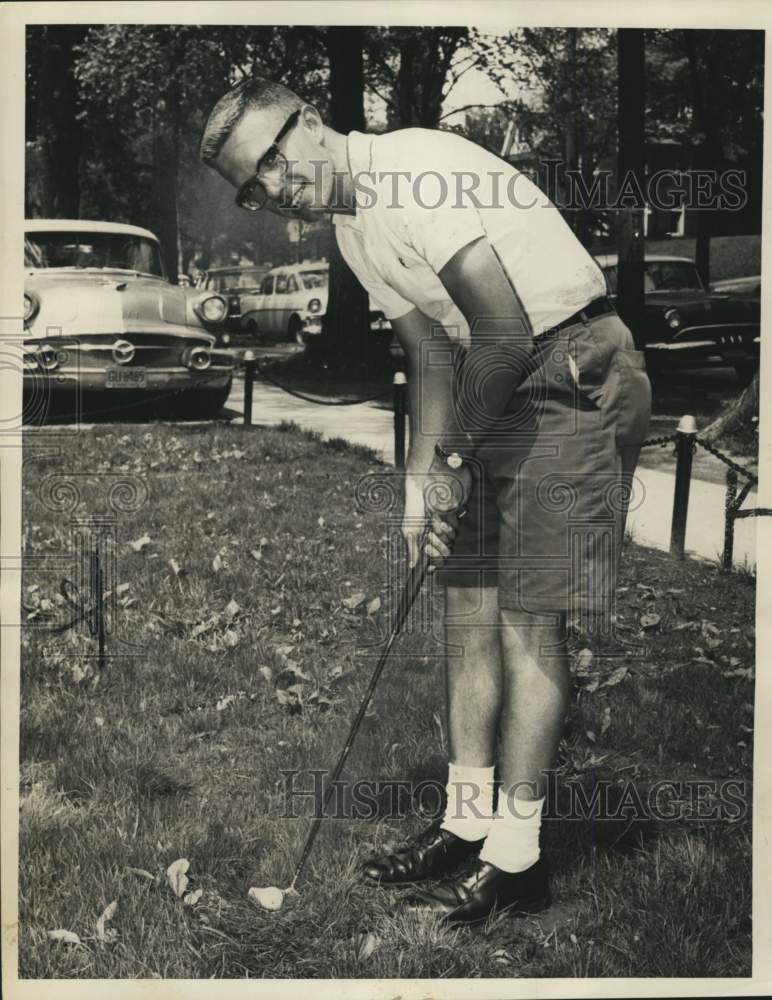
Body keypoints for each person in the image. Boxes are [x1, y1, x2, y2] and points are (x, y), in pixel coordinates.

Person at [200, 79, 651, 927]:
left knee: (529, 618)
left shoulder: (413, 171)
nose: (272, 183)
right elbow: (432, 354)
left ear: (311, 121)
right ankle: (466, 819)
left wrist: (452, 457)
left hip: (572, 365)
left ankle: (517, 857)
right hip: (495, 375)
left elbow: (507, 330)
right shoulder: (352, 227)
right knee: (469, 612)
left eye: (272, 154)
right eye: (250, 183)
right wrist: (419, 486)